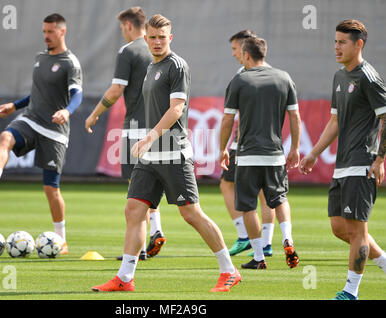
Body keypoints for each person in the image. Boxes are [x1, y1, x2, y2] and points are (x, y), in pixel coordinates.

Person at [92, 14, 241, 292]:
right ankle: (125, 278)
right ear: (145, 38)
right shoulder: (150, 66)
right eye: (153, 37)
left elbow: (176, 110)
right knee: (134, 210)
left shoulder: (177, 66)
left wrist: (148, 138)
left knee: (191, 214)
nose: (158, 42)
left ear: (170, 38)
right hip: (150, 157)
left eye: (163, 37)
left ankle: (229, 271)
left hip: (173, 153)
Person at [0, 13, 83, 255]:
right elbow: (38, 93)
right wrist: (14, 106)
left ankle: (61, 240)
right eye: (44, 32)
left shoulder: (70, 63)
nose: (46, 36)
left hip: (55, 130)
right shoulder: (40, 58)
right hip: (31, 119)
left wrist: (67, 111)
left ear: (62, 32)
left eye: (50, 32)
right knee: (5, 138)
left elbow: (77, 95)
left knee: (50, 188)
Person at [300, 19, 386, 300]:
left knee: (357, 230)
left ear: (358, 44)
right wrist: (313, 152)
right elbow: (335, 121)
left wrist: (380, 158)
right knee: (339, 227)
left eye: (342, 42)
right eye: (335, 41)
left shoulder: (369, 78)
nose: (336, 47)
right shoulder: (339, 77)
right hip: (342, 164)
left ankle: (351, 292)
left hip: (362, 163)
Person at [85, 7, 165, 260]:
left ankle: (139, 249)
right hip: (160, 130)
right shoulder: (161, 51)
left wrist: (95, 113)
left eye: (122, 28)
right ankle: (157, 230)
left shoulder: (128, 51)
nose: (122, 33)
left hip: (136, 130)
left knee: (137, 191)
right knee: (155, 186)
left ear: (129, 26)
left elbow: (116, 90)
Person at [219, 36, 301, 270]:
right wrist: (295, 147)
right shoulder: (284, 78)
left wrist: (222, 149)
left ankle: (259, 257)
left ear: (246, 54)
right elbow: (295, 116)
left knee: (247, 206)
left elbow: (227, 120)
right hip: (275, 154)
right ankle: (287, 238)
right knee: (279, 198)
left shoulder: (240, 80)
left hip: (246, 155)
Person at [221, 30, 276, 257]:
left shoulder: (244, 74)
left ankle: (245, 236)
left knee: (228, 185)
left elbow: (232, 115)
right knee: (267, 194)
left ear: (245, 50)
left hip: (244, 144)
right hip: (271, 144)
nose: (234, 54)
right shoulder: (275, 74)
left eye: (235, 49)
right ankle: (268, 242)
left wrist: (227, 145)